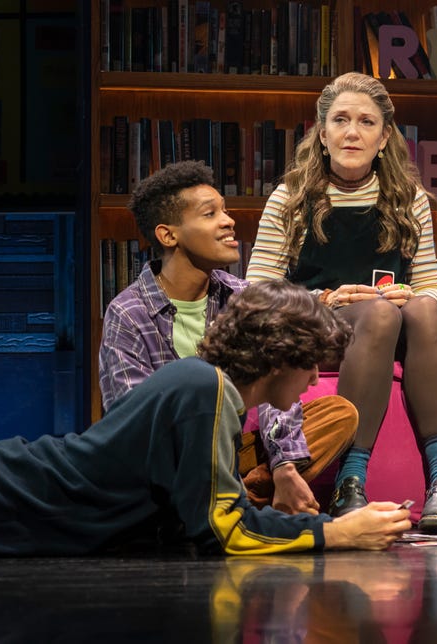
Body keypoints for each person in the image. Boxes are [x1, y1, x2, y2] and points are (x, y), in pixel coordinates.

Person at [0, 280, 412, 556]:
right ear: (280, 357)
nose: (316, 376)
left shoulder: (210, 387)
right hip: (2, 496)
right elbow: (225, 530)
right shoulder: (207, 389)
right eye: (311, 361)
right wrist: (337, 532)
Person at [246, 72, 437, 533]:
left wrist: (411, 294)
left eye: (366, 122)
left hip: (391, 326)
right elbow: (256, 293)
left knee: (421, 309)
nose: (352, 132)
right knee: (380, 314)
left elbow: (431, 286)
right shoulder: (290, 199)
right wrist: (324, 299)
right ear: (322, 133)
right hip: (316, 329)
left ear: (384, 137)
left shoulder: (409, 200)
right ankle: (351, 479)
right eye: (340, 120)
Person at [100, 160, 356, 516]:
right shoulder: (128, 313)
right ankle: (229, 503)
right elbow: (133, 423)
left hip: (233, 450)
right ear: (168, 235)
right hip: (171, 458)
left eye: (225, 210)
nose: (228, 220)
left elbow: (275, 391)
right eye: (210, 214)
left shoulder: (242, 296)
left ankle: (234, 500)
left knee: (337, 414)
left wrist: (283, 467)